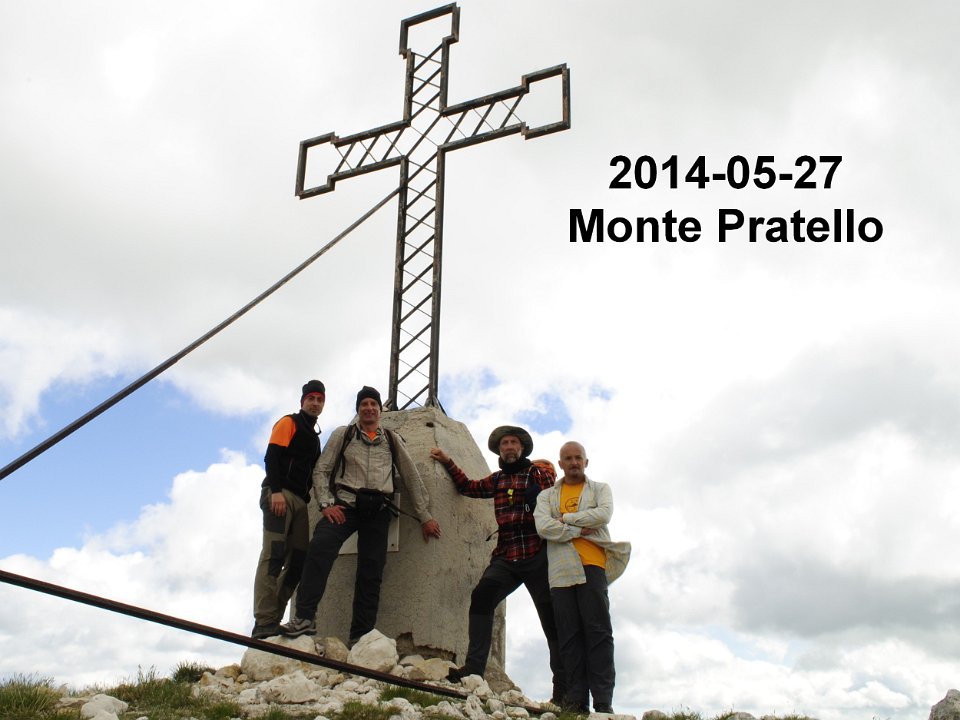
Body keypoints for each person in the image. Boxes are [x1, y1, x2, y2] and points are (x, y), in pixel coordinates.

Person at [281, 385, 442, 643]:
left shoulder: (391, 439)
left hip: (378, 509)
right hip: (345, 506)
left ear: (380, 410)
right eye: (364, 404)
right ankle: (305, 618)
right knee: (319, 548)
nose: (369, 408)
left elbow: (410, 475)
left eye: (373, 404)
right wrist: (326, 504)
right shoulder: (343, 434)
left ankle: (360, 636)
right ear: (358, 410)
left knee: (371, 572)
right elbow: (322, 470)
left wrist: (425, 516)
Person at [430, 425, 566, 704]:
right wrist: (447, 461)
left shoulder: (537, 474)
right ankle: (474, 670)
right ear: (500, 450)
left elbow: (556, 493)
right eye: (505, 443)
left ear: (522, 448)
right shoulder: (497, 479)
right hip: (506, 555)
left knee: (551, 619)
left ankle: (563, 689)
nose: (509, 447)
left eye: (514, 442)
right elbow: (468, 486)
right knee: (482, 597)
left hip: (537, 554)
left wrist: (543, 483)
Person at [533, 441, 631, 715]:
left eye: (578, 458)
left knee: (598, 632)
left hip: (593, 566)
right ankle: (576, 702)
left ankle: (602, 702)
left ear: (586, 462)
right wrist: (578, 529)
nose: (574, 462)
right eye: (568, 458)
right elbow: (543, 527)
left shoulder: (600, 489)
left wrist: (565, 518)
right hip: (561, 571)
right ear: (560, 463)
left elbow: (603, 515)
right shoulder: (546, 497)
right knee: (569, 636)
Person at [251, 379, 326, 639]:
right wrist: (276, 491)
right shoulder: (288, 422)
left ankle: (274, 616)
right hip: (279, 494)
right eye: (311, 398)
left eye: (320, 400)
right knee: (273, 555)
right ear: (302, 401)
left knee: (298, 561)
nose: (315, 403)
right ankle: (264, 621)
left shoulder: (314, 438)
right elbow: (271, 457)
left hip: (301, 502)